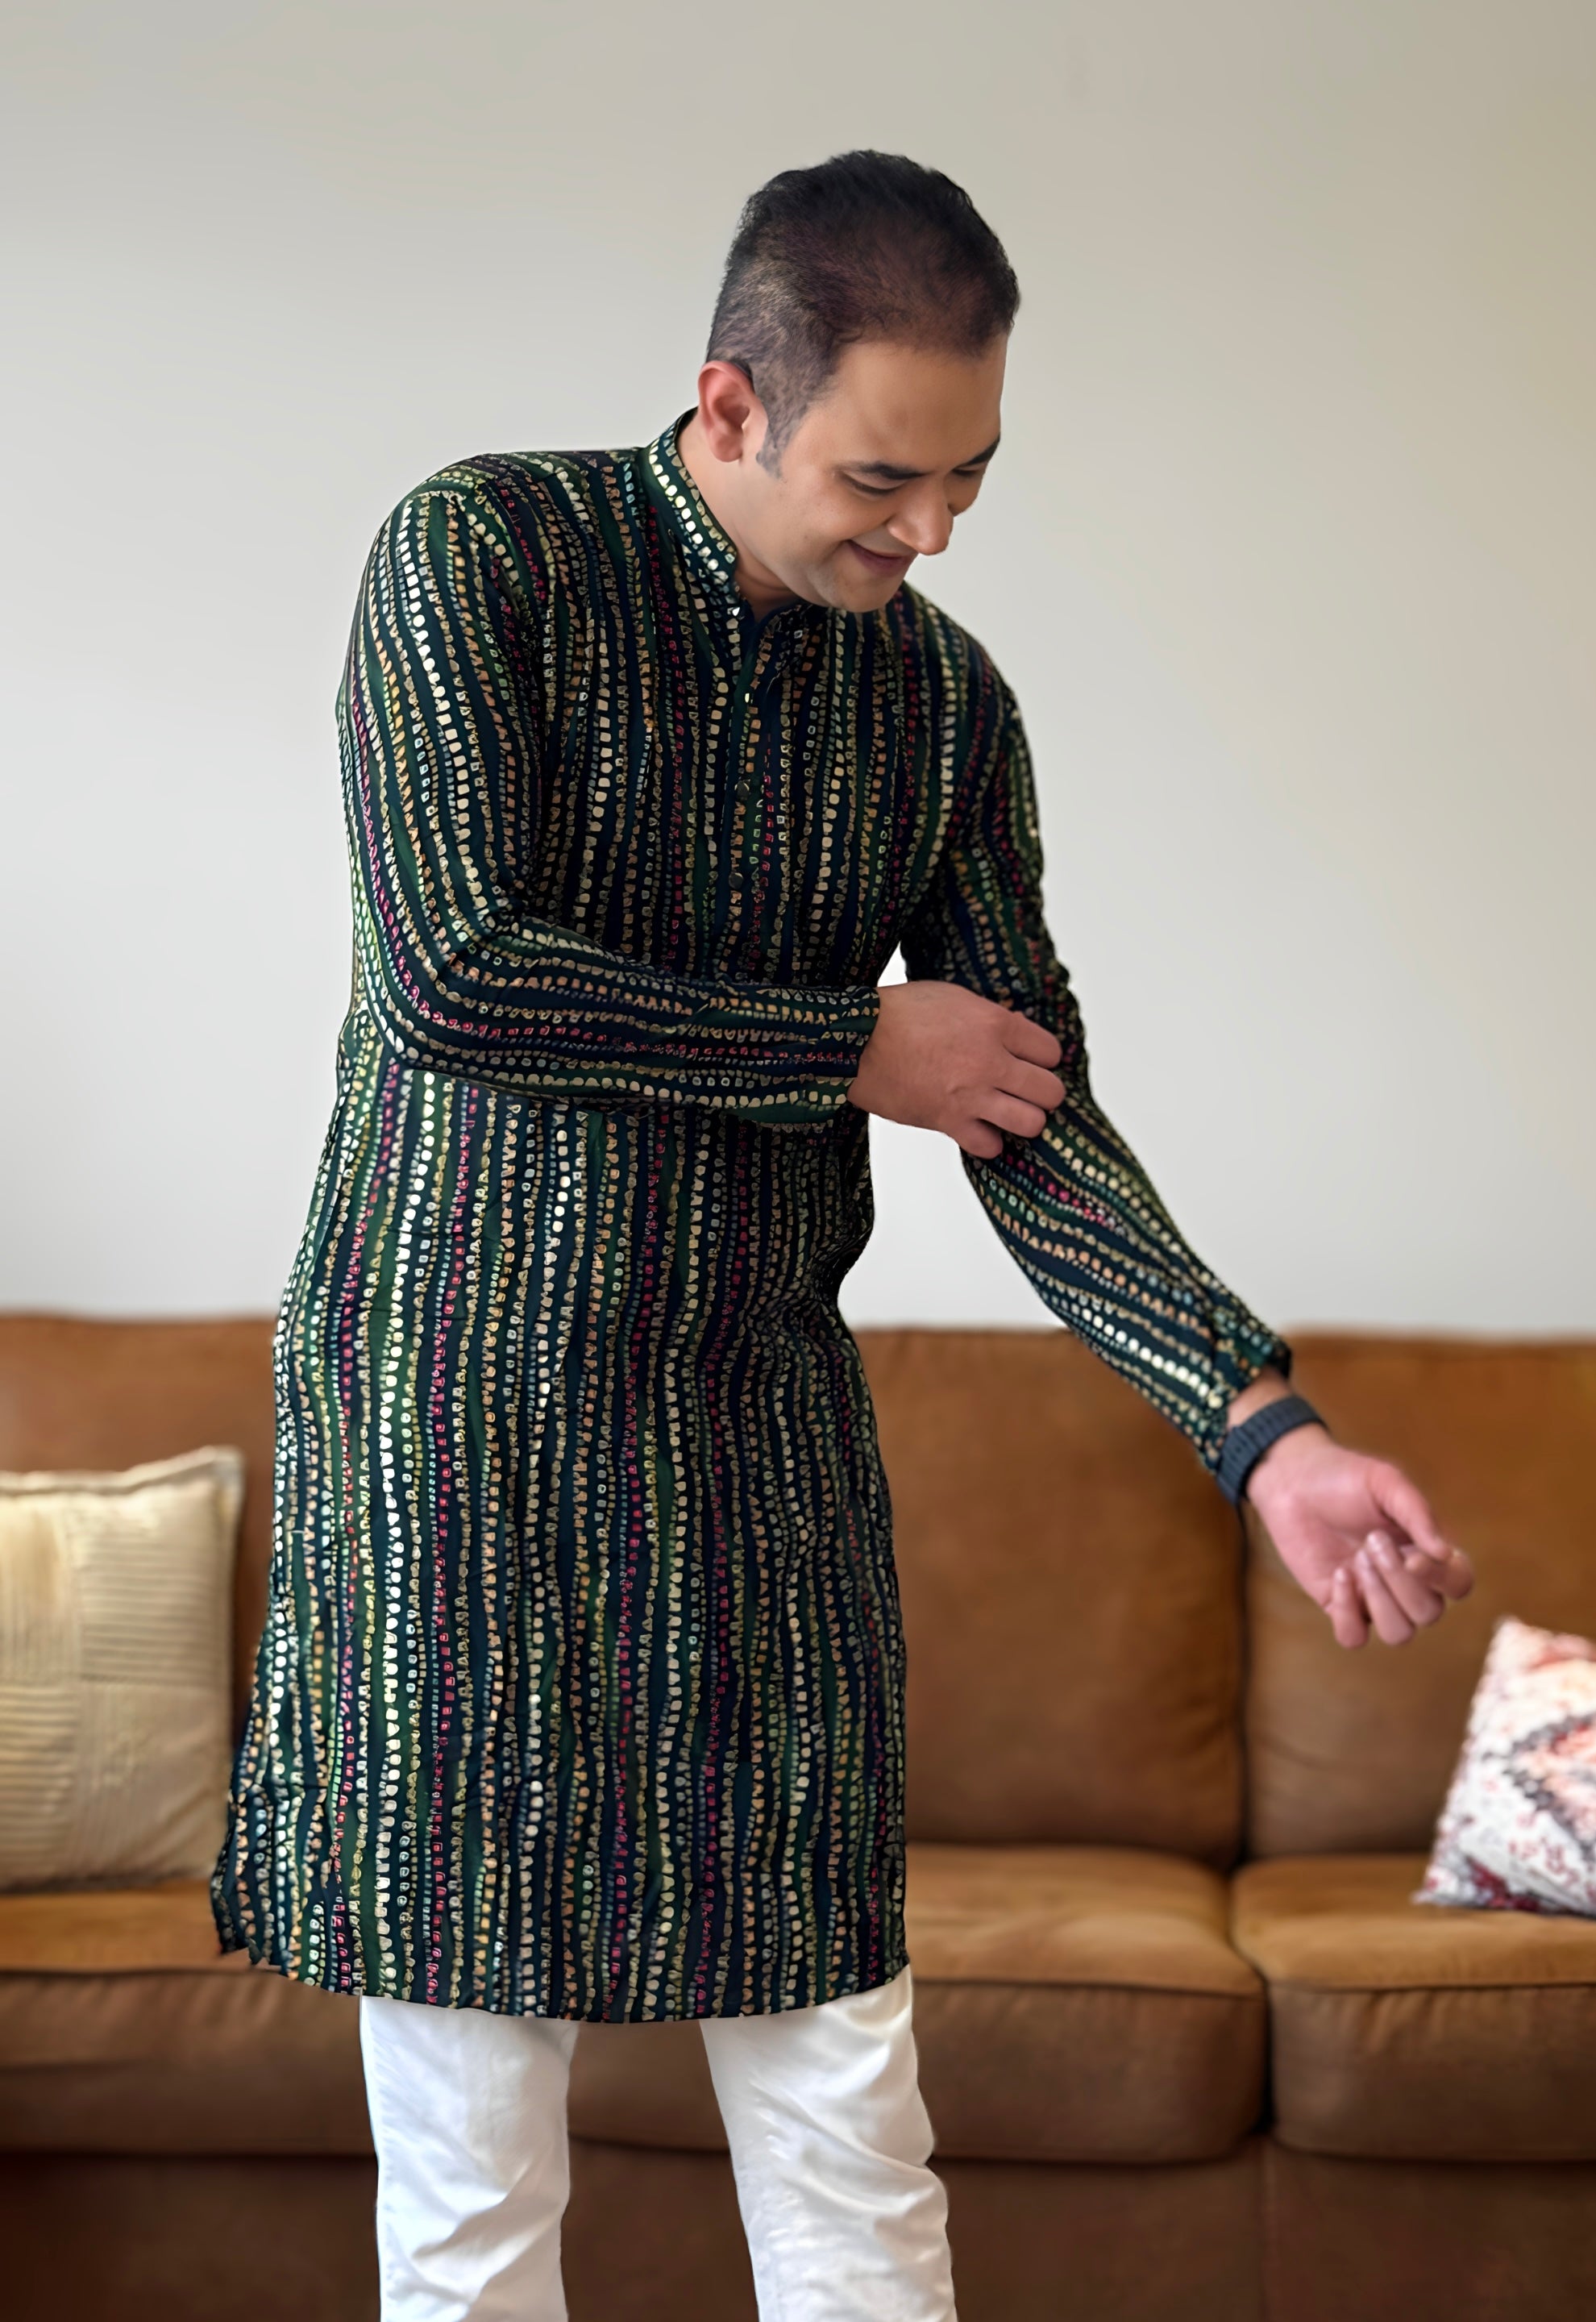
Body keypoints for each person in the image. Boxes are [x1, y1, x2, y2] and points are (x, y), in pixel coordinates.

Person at [212, 150, 1473, 2322]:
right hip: (450, 1441)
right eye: (887, 474)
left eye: (972, 475)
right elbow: (456, 976)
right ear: (731, 406)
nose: (934, 529)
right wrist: (846, 1046)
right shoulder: (480, 554)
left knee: (848, 2128)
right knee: (473, 2185)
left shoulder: (943, 707)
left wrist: (1266, 1429)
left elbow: (1021, 1105)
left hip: (747, 1450)